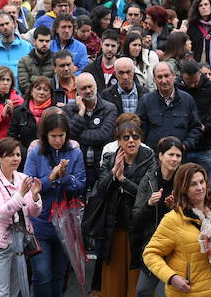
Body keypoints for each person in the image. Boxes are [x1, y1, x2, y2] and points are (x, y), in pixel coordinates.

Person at [143, 163, 211, 297]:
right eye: (193, 184)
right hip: (188, 293)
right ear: (183, 188)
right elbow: (150, 254)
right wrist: (172, 277)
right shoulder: (173, 220)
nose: (200, 188)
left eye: (202, 182)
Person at [86, 115, 155, 297]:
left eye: (135, 137)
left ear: (141, 139)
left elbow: (144, 193)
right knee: (114, 283)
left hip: (139, 229)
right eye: (126, 137)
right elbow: (101, 192)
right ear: (118, 141)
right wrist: (112, 175)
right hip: (114, 228)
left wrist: (122, 179)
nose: (131, 141)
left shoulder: (150, 160)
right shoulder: (109, 159)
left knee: (136, 283)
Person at [23, 109, 86, 297]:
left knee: (59, 274)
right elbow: (27, 185)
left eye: (61, 135)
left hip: (65, 222)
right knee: (42, 274)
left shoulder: (75, 153)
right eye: (53, 136)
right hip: (40, 222)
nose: (58, 140)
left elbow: (81, 185)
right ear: (45, 135)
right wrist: (50, 178)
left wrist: (65, 178)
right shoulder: (35, 153)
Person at [0, 137, 42, 297]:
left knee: (15, 291)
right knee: (0, 293)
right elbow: (1, 211)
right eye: (10, 155)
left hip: (19, 242)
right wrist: (21, 194)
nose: (15, 159)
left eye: (18, 155)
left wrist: (34, 197)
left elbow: (34, 212)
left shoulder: (21, 178)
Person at [132, 136, 184, 297]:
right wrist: (149, 204)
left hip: (178, 247)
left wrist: (176, 208)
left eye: (178, 156)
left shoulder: (184, 181)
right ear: (160, 156)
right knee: (143, 291)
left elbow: (195, 215)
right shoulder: (148, 179)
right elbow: (136, 217)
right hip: (154, 244)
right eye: (171, 154)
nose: (174, 159)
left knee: (167, 293)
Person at [64, 73, 118, 188]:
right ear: (77, 91)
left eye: (90, 86)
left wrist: (78, 135)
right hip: (78, 165)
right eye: (84, 88)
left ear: (96, 86)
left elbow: (103, 136)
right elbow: (67, 135)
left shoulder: (109, 108)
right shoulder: (69, 109)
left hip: (102, 165)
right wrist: (81, 112)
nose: (88, 90)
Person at [137, 62, 203, 154]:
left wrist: (185, 146)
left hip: (180, 158)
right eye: (159, 77)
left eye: (166, 76)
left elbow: (196, 128)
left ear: (174, 76)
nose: (164, 81)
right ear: (154, 79)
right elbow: (139, 130)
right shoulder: (145, 101)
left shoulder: (187, 100)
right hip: (152, 158)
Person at [17, 25, 54, 95]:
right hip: (30, 100)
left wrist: (33, 79)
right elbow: (24, 86)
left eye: (47, 41)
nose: (44, 44)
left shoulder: (56, 60)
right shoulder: (24, 61)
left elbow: (57, 84)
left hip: (52, 99)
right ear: (34, 41)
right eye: (41, 41)